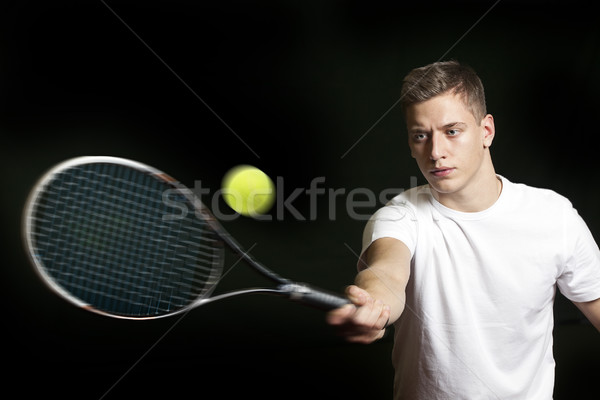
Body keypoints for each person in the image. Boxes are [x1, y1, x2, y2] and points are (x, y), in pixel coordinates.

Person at [327, 60, 600, 399]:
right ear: (411, 144)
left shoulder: (553, 216)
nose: (436, 152)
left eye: (451, 131)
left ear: (486, 131)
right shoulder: (398, 216)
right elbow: (386, 273)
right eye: (421, 136)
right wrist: (373, 304)